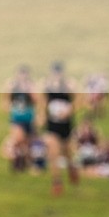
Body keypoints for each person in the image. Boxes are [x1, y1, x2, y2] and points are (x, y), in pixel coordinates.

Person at [41, 61, 79, 196]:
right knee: (53, 153)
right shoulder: (47, 86)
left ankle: (72, 169)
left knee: (67, 153)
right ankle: (57, 182)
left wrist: (69, 111)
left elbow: (78, 101)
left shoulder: (69, 85)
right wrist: (42, 116)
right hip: (52, 125)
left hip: (66, 126)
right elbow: (43, 102)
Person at [1, 65, 39, 172]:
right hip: (17, 117)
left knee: (26, 142)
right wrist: (8, 108)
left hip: (29, 117)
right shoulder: (12, 85)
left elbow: (36, 100)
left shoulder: (31, 85)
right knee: (18, 138)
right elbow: (6, 98)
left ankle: (23, 164)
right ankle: (15, 162)